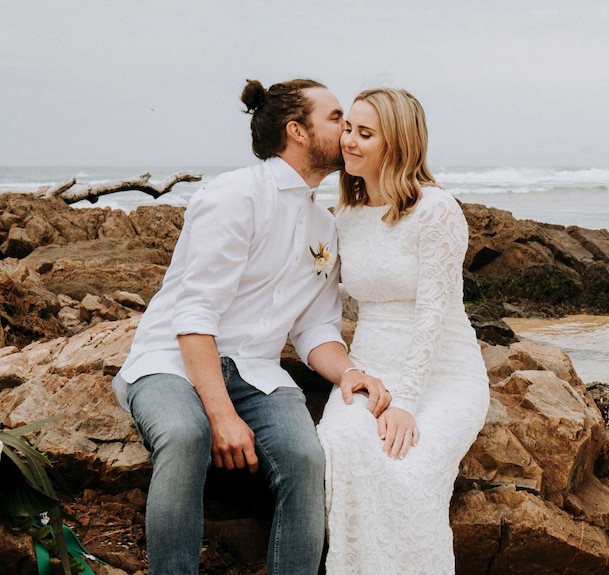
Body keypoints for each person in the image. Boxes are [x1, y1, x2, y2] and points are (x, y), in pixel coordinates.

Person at [112, 78, 390, 575]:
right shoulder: (235, 195)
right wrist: (221, 418)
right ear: (297, 131)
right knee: (184, 433)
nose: (347, 132)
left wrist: (348, 373)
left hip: (258, 372)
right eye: (336, 120)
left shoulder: (325, 227)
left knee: (307, 460)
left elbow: (315, 329)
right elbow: (195, 316)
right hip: (171, 361)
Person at [316, 88, 490, 574]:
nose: (348, 141)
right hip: (370, 368)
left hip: (443, 374)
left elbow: (433, 313)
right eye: (347, 127)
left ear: (398, 144)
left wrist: (407, 401)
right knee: (342, 448)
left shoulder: (436, 211)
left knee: (409, 474)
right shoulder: (343, 218)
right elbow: (315, 304)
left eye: (364, 133)